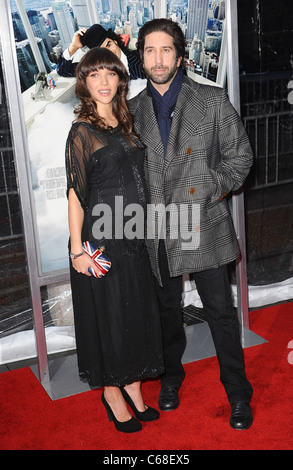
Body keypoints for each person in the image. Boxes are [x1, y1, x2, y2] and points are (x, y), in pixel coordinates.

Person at [129, 19, 254, 430]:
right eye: (150, 50)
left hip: (205, 224)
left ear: (180, 56)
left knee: (219, 312)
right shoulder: (131, 112)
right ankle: (171, 378)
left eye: (166, 50)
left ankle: (238, 393)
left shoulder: (212, 101)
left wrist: (208, 186)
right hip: (158, 230)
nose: (158, 58)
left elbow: (240, 159)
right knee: (166, 312)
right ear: (142, 56)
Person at [65, 46, 164, 433]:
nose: (104, 82)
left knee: (138, 314)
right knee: (110, 319)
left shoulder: (127, 123)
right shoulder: (82, 133)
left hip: (134, 237)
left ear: (120, 79)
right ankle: (111, 392)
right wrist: (77, 251)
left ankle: (135, 388)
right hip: (101, 241)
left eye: (110, 74)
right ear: (85, 84)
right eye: (95, 75)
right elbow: (75, 195)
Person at [57, 24, 145, 81]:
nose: (109, 53)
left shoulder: (139, 60)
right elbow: (63, 70)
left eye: (108, 45)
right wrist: (74, 46)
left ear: (115, 41)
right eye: (103, 51)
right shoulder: (96, 68)